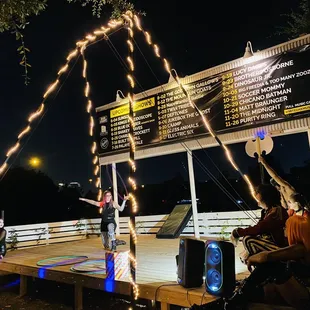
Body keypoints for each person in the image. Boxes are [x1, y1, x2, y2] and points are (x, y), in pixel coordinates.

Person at [190, 192, 310, 310]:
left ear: (296, 232)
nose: (285, 231)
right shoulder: (275, 214)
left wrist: (262, 256)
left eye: (287, 229)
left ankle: (229, 302)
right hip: (291, 286)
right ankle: (227, 302)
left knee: (274, 266)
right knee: (254, 290)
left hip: (304, 293)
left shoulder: (300, 246)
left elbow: (279, 252)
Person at [230, 184, 288, 264]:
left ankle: (262, 265)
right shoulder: (267, 211)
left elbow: (260, 228)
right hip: (270, 242)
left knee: (248, 240)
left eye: (260, 201)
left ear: (267, 199)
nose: (258, 204)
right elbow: (259, 227)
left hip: (279, 246)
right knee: (249, 239)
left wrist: (239, 232)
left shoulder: (277, 211)